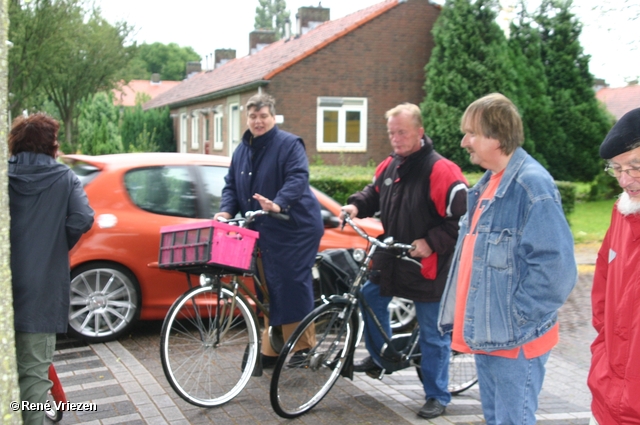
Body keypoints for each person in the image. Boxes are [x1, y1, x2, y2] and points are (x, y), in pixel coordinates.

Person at [438, 93, 577, 424]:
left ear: (496, 136)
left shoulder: (531, 185)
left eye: (471, 132)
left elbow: (556, 271)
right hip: (489, 334)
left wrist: (518, 318)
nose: (463, 142)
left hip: (515, 339)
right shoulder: (486, 186)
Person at [342, 103, 468, 419]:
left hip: (430, 262)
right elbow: (373, 194)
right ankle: (381, 356)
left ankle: (437, 395)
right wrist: (356, 206)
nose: (396, 139)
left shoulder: (442, 170)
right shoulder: (390, 166)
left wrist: (430, 242)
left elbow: (463, 219)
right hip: (394, 251)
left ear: (419, 132)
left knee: (431, 332)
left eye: (402, 132)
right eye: (391, 133)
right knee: (368, 296)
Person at [214, 93, 323, 367]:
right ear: (247, 118)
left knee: (290, 282)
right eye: (253, 116)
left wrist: (279, 203)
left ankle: (302, 348)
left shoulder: (289, 144)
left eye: (263, 116)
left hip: (295, 227)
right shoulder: (242, 151)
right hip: (262, 228)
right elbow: (230, 187)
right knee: (266, 286)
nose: (258, 121)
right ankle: (273, 349)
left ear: (273, 117)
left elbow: (298, 177)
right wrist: (226, 211)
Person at [9, 113, 94, 425]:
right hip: (41, 289)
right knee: (33, 376)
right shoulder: (64, 178)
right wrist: (56, 245)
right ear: (51, 147)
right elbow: (83, 217)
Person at [588, 107, 640, 425]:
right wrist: (603, 355)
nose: (624, 180)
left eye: (635, 167)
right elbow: (601, 298)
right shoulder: (620, 214)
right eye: (616, 169)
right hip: (609, 400)